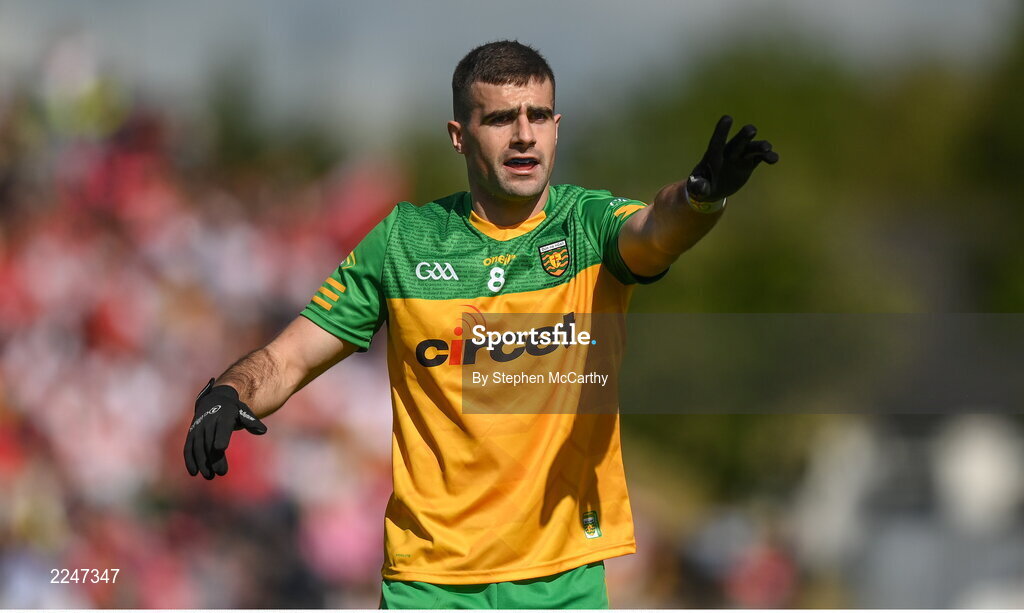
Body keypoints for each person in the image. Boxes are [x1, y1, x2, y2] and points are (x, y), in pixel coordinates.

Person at [183, 40, 777, 609]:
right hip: (430, 580)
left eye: (538, 115)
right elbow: (292, 356)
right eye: (499, 119)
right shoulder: (403, 240)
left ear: (556, 126)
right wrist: (230, 390)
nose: (523, 135)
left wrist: (701, 198)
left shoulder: (588, 224)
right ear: (459, 136)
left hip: (562, 577)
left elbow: (656, 231)